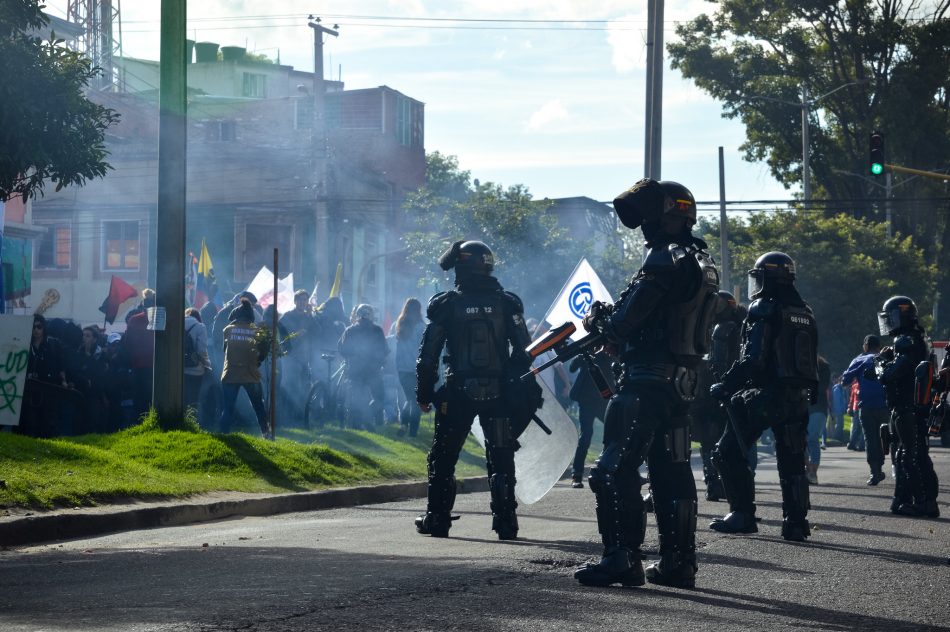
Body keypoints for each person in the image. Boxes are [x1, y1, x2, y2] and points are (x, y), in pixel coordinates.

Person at [573, 179, 719, 589]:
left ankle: (621, 558)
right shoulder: (700, 259)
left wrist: (600, 321)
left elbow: (624, 322)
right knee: (672, 472)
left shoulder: (662, 260)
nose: (640, 228)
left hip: (647, 381)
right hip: (681, 383)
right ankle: (678, 563)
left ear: (660, 216)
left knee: (612, 470)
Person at [414, 240, 541, 541]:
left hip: (457, 392)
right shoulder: (508, 303)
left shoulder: (445, 305)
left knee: (443, 458)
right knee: (501, 457)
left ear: (460, 267)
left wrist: (423, 393)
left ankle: (438, 519)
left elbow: (427, 357)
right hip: (499, 392)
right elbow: (526, 352)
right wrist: (511, 379)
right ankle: (507, 523)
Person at [709, 251, 818, 542]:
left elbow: (753, 358)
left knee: (727, 451)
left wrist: (727, 385)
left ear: (766, 278)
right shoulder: (805, 312)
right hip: (797, 397)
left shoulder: (763, 308)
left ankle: (742, 514)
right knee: (792, 460)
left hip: (764, 394)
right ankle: (796, 523)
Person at [871, 296, 939, 517]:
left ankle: (923, 502)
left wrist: (880, 363)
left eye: (890, 317)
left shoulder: (906, 340)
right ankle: (905, 500)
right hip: (913, 405)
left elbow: (891, 374)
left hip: (907, 406)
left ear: (898, 316)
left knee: (911, 455)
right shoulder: (918, 338)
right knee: (908, 454)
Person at [697, 291, 747, 501]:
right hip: (736, 390)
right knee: (731, 440)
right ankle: (728, 484)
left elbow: (715, 364)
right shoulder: (743, 328)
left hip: (714, 392)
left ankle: (714, 483)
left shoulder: (720, 329)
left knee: (709, 441)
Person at [218, 297, 271, 439]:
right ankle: (266, 434)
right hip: (251, 374)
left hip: (230, 373)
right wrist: (258, 362)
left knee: (228, 408)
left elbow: (225, 350)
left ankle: (223, 436)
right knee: (259, 407)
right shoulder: (257, 331)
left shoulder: (228, 330)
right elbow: (264, 350)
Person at [841, 335, 888, 485]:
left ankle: (875, 472)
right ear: (879, 347)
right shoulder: (887, 358)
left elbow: (845, 380)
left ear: (866, 346)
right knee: (887, 438)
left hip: (866, 405)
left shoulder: (860, 360)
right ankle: (896, 470)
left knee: (871, 439)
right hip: (886, 405)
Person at [567, 350, 613, 488]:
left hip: (604, 398)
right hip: (586, 399)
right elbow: (572, 367)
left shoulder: (609, 348)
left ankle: (613, 469)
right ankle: (577, 475)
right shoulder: (586, 350)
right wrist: (581, 353)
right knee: (586, 436)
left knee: (616, 433)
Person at [338, 304, 388, 429]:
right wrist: (380, 362)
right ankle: (367, 417)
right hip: (373, 371)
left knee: (357, 399)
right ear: (370, 315)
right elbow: (384, 350)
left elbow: (342, 349)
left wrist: (351, 358)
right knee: (379, 397)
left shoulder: (350, 330)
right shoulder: (377, 330)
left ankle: (356, 424)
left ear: (358, 315)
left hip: (355, 371)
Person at [20, 314, 68, 437]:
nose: (35, 330)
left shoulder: (53, 344)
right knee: (30, 423)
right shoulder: (24, 344)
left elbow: (61, 365)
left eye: (39, 327)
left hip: (48, 389)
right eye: (33, 327)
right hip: (30, 390)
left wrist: (63, 381)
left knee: (47, 423)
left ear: (44, 328)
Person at [280, 290, 318, 424]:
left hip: (305, 359)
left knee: (304, 389)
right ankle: (287, 418)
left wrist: (310, 316)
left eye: (305, 300)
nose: (302, 303)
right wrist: (290, 341)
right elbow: (280, 333)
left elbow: (318, 332)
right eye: (300, 300)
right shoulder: (287, 316)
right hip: (291, 358)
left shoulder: (309, 317)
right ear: (295, 301)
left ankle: (300, 417)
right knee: (291, 388)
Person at [393, 298, 426, 437]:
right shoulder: (421, 327)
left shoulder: (399, 324)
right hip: (416, 368)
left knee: (409, 399)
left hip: (402, 369)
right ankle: (412, 432)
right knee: (416, 401)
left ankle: (403, 426)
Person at [122, 289, 155, 420]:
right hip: (156, 366)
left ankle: (140, 422)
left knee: (139, 400)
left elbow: (127, 343)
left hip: (138, 365)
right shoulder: (160, 321)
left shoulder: (134, 320)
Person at [68, 325, 108, 434]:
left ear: (94, 339)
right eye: (83, 335)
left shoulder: (101, 355)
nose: (84, 338)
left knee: (91, 424)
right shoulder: (77, 352)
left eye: (88, 336)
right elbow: (74, 371)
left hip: (94, 396)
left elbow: (99, 373)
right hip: (79, 393)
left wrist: (88, 356)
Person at [805, 356, 831, 484]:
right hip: (803, 408)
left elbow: (821, 387)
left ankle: (812, 471)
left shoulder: (823, 367)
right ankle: (807, 468)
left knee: (812, 438)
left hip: (818, 407)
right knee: (801, 439)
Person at [183, 308, 211, 416]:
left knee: (182, 396)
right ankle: (191, 420)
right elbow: (201, 351)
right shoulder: (200, 327)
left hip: (180, 368)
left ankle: (179, 419)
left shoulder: (178, 323)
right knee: (193, 398)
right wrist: (207, 364)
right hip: (195, 370)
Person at [829, 374, 848, 443]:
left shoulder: (841, 389)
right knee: (839, 425)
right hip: (838, 411)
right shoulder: (837, 389)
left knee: (840, 425)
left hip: (840, 410)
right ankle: (837, 438)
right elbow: (836, 402)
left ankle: (839, 437)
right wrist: (841, 410)